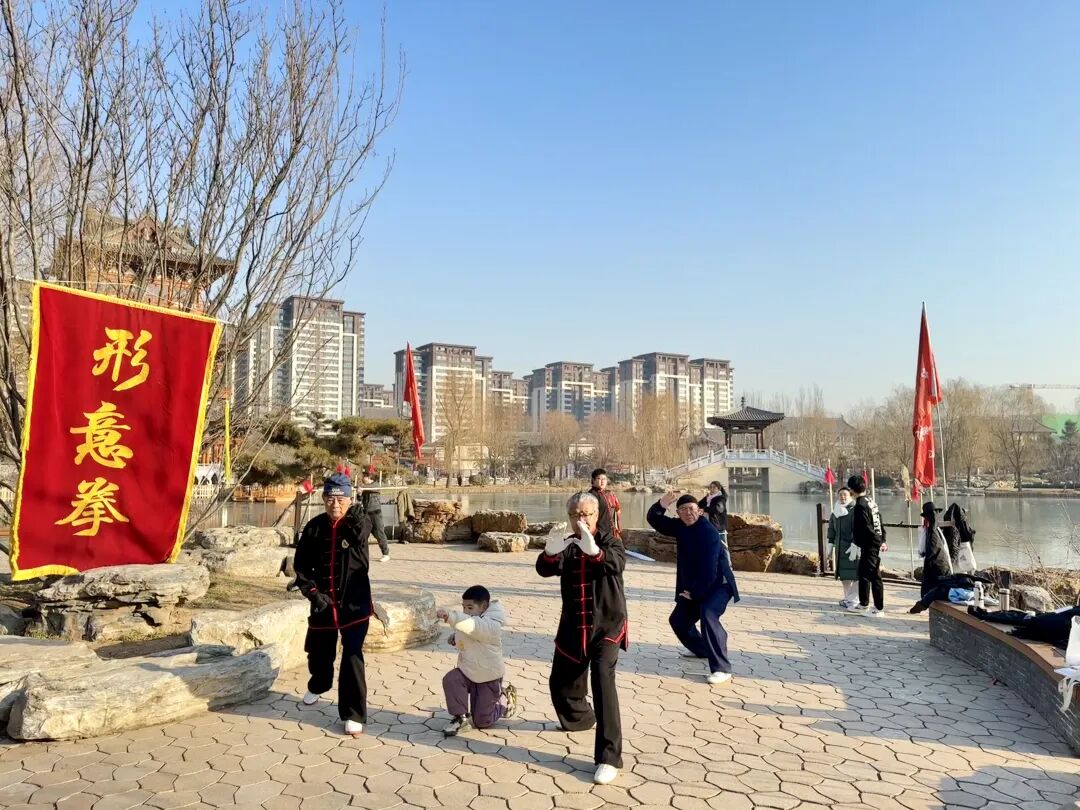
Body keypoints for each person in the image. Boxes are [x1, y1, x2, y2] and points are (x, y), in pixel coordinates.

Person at [536, 492, 628, 786]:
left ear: (597, 514)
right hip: (574, 626)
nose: (581, 520)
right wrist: (550, 553)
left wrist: (596, 552)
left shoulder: (611, 541)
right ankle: (581, 720)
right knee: (561, 683)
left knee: (602, 681)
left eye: (586, 514)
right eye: (575, 515)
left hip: (607, 626)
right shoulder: (568, 544)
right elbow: (545, 569)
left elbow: (616, 563)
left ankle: (609, 757)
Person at [293, 473, 374, 737]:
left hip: (354, 605)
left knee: (352, 655)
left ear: (350, 499)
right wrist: (313, 593)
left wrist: (357, 517)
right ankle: (318, 685)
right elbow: (301, 566)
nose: (335, 504)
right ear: (323, 498)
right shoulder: (314, 527)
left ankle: (353, 713)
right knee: (319, 654)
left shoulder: (359, 522)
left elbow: (361, 535)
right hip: (324, 604)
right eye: (330, 498)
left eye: (341, 499)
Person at [647, 492, 740, 685]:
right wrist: (661, 504)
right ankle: (703, 649)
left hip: (719, 584)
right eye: (683, 510)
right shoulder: (680, 526)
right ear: (678, 513)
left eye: (691, 509)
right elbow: (655, 520)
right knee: (678, 620)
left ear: (699, 511)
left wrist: (694, 593)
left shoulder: (708, 532)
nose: (688, 513)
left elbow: (710, 569)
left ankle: (722, 668)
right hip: (697, 586)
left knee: (708, 613)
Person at [437, 585, 518, 736]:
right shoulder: (473, 619)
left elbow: (475, 628)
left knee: (482, 721)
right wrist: (455, 638)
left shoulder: (492, 625)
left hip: (488, 677)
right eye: (463, 607)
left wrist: (450, 616)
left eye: (470, 607)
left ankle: (504, 699)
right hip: (468, 671)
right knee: (452, 679)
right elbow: (468, 632)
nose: (466, 611)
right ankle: (460, 718)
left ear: (483, 607)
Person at [848, 474, 886, 616]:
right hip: (871, 543)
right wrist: (882, 539)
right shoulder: (870, 501)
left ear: (852, 490)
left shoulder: (860, 505)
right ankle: (863, 604)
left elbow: (866, 527)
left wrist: (878, 542)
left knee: (874, 575)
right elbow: (879, 521)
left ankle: (878, 608)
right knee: (863, 573)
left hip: (870, 544)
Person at [827, 487, 858, 608]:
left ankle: (854, 599)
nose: (842, 497)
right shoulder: (835, 511)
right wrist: (830, 545)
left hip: (853, 548)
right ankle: (847, 598)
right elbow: (831, 529)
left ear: (850, 495)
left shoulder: (855, 510)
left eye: (845, 494)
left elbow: (858, 529)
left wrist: (855, 544)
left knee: (855, 575)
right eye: (840, 494)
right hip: (840, 549)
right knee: (844, 576)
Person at [360, 476, 391, 562]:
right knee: (362, 534)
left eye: (364, 477)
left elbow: (371, 488)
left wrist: (362, 487)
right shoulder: (364, 488)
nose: (362, 479)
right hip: (366, 514)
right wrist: (359, 493)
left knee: (379, 534)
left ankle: (386, 554)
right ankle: (360, 554)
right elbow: (360, 499)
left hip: (376, 514)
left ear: (369, 477)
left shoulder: (375, 485)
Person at [589, 468, 622, 539]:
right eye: (599, 479)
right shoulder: (590, 496)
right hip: (599, 534)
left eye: (604, 479)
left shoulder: (607, 494)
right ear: (593, 480)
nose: (602, 481)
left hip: (609, 532)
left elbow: (617, 510)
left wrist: (617, 526)